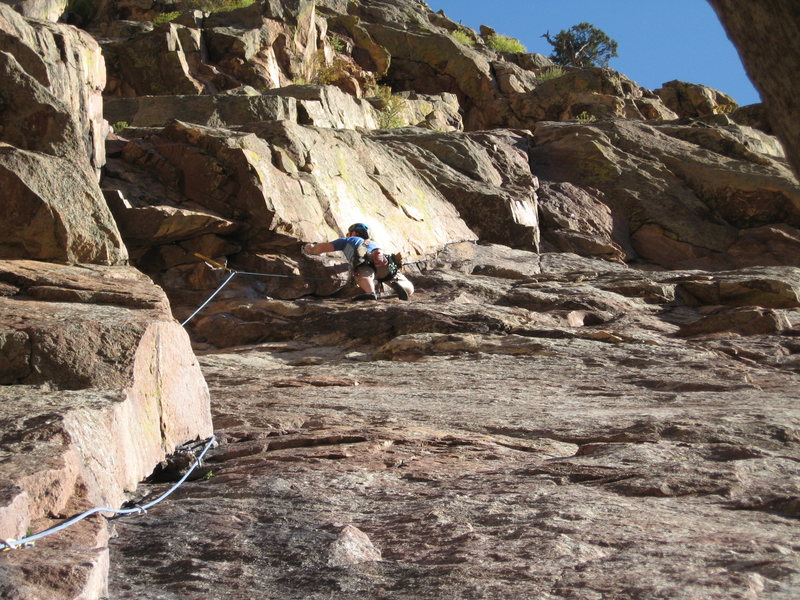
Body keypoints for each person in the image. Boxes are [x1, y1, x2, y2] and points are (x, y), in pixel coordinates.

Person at [305, 223, 414, 301]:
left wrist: (310, 248)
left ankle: (370, 293)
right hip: (385, 261)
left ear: (354, 232)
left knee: (364, 274)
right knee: (406, 284)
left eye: (349, 233)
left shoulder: (348, 240)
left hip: (365, 263)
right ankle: (401, 286)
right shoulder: (373, 243)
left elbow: (324, 247)